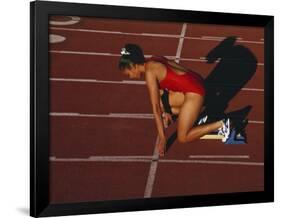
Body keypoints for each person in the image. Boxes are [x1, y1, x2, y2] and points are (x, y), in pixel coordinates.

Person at [118, 44, 230, 156]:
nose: (130, 77)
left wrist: (162, 137)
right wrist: (166, 112)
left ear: (132, 66)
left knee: (183, 137)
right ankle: (193, 115)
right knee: (163, 104)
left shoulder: (149, 73)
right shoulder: (154, 59)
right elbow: (162, 93)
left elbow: (155, 108)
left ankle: (222, 124)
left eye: (128, 74)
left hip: (195, 93)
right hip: (198, 82)